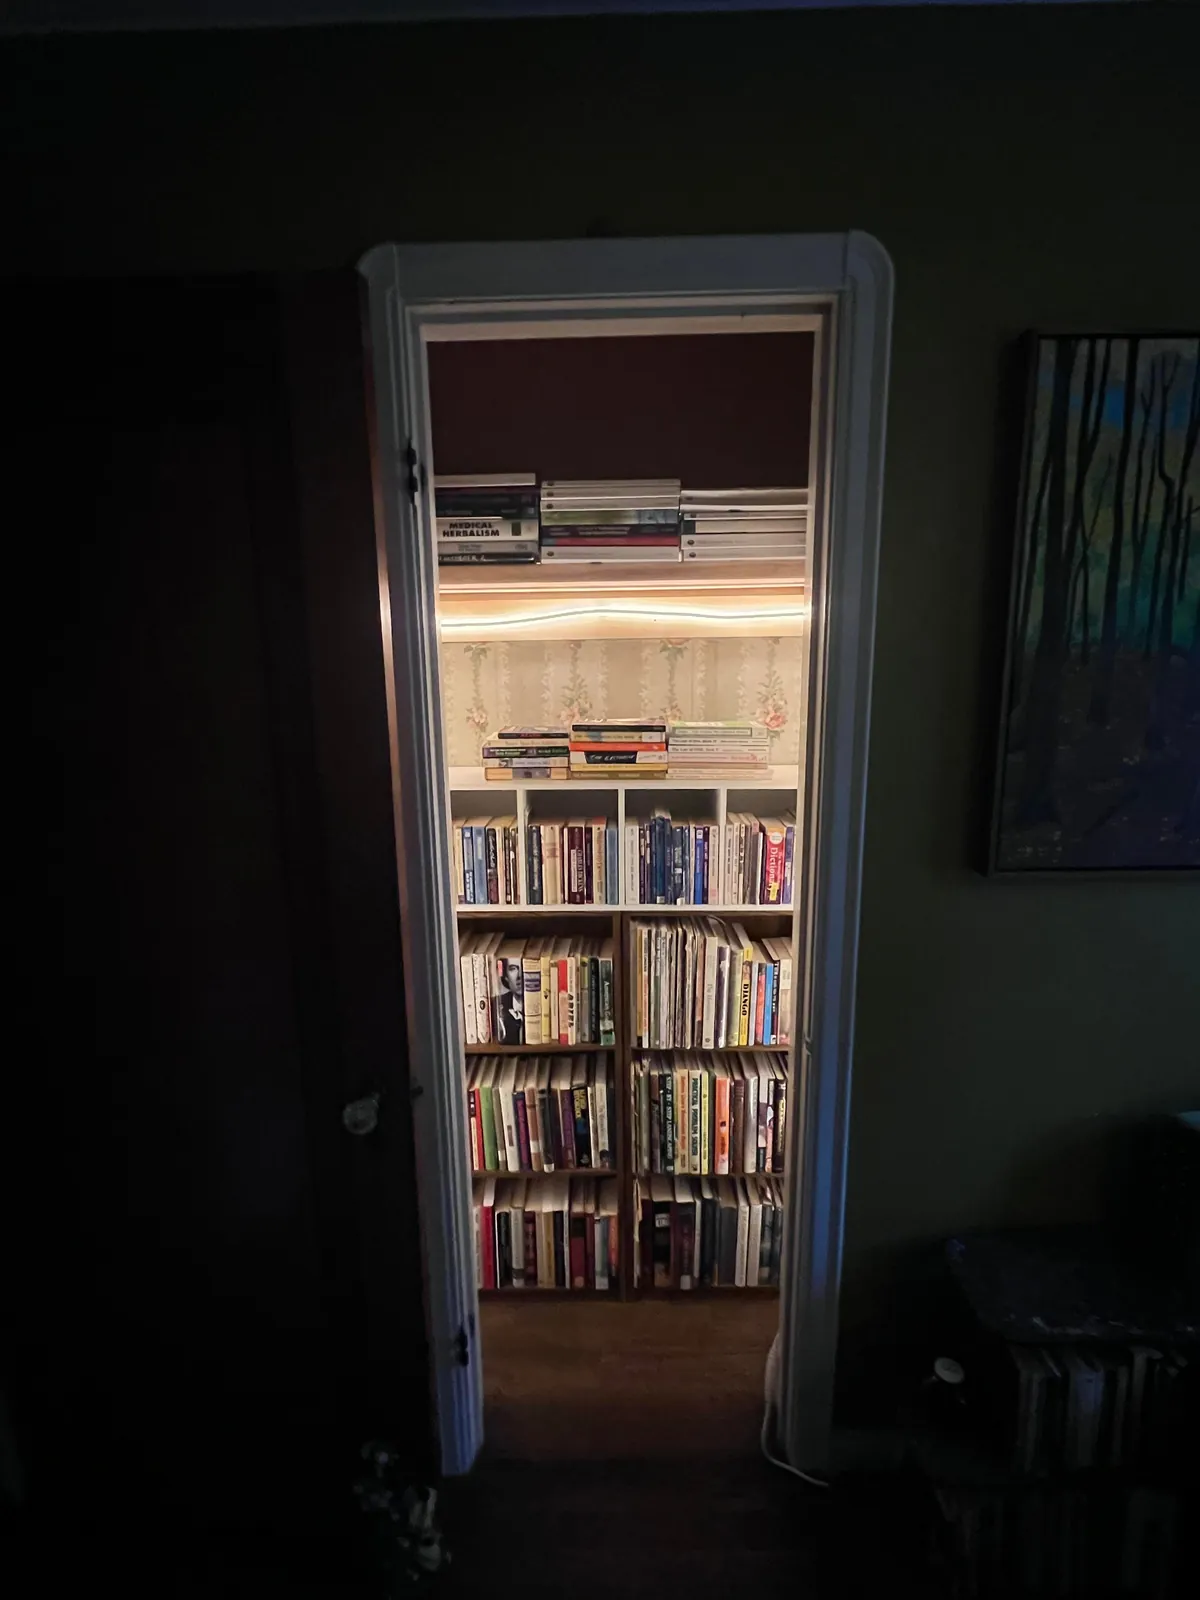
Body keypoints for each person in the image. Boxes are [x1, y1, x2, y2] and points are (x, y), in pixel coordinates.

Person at [495, 957, 524, 1045]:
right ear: (506, 977)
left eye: (524, 967)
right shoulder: (497, 1004)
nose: (519, 975)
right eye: (513, 969)